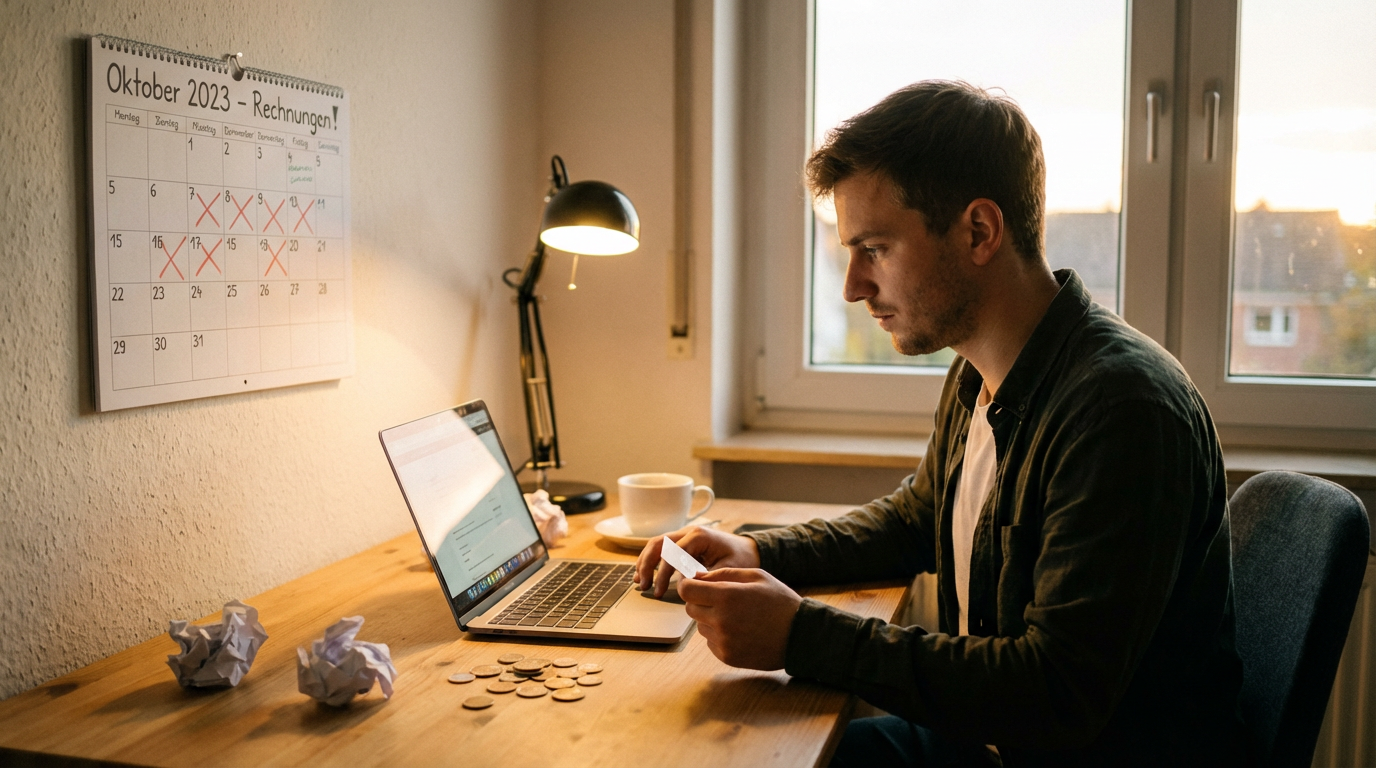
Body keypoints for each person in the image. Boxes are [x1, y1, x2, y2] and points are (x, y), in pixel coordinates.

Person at [635, 81, 1245, 767]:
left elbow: (1055, 694)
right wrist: (759, 552)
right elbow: (918, 519)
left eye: (876, 249)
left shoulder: (1121, 410)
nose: (854, 286)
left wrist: (800, 634)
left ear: (979, 231)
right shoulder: (981, 368)